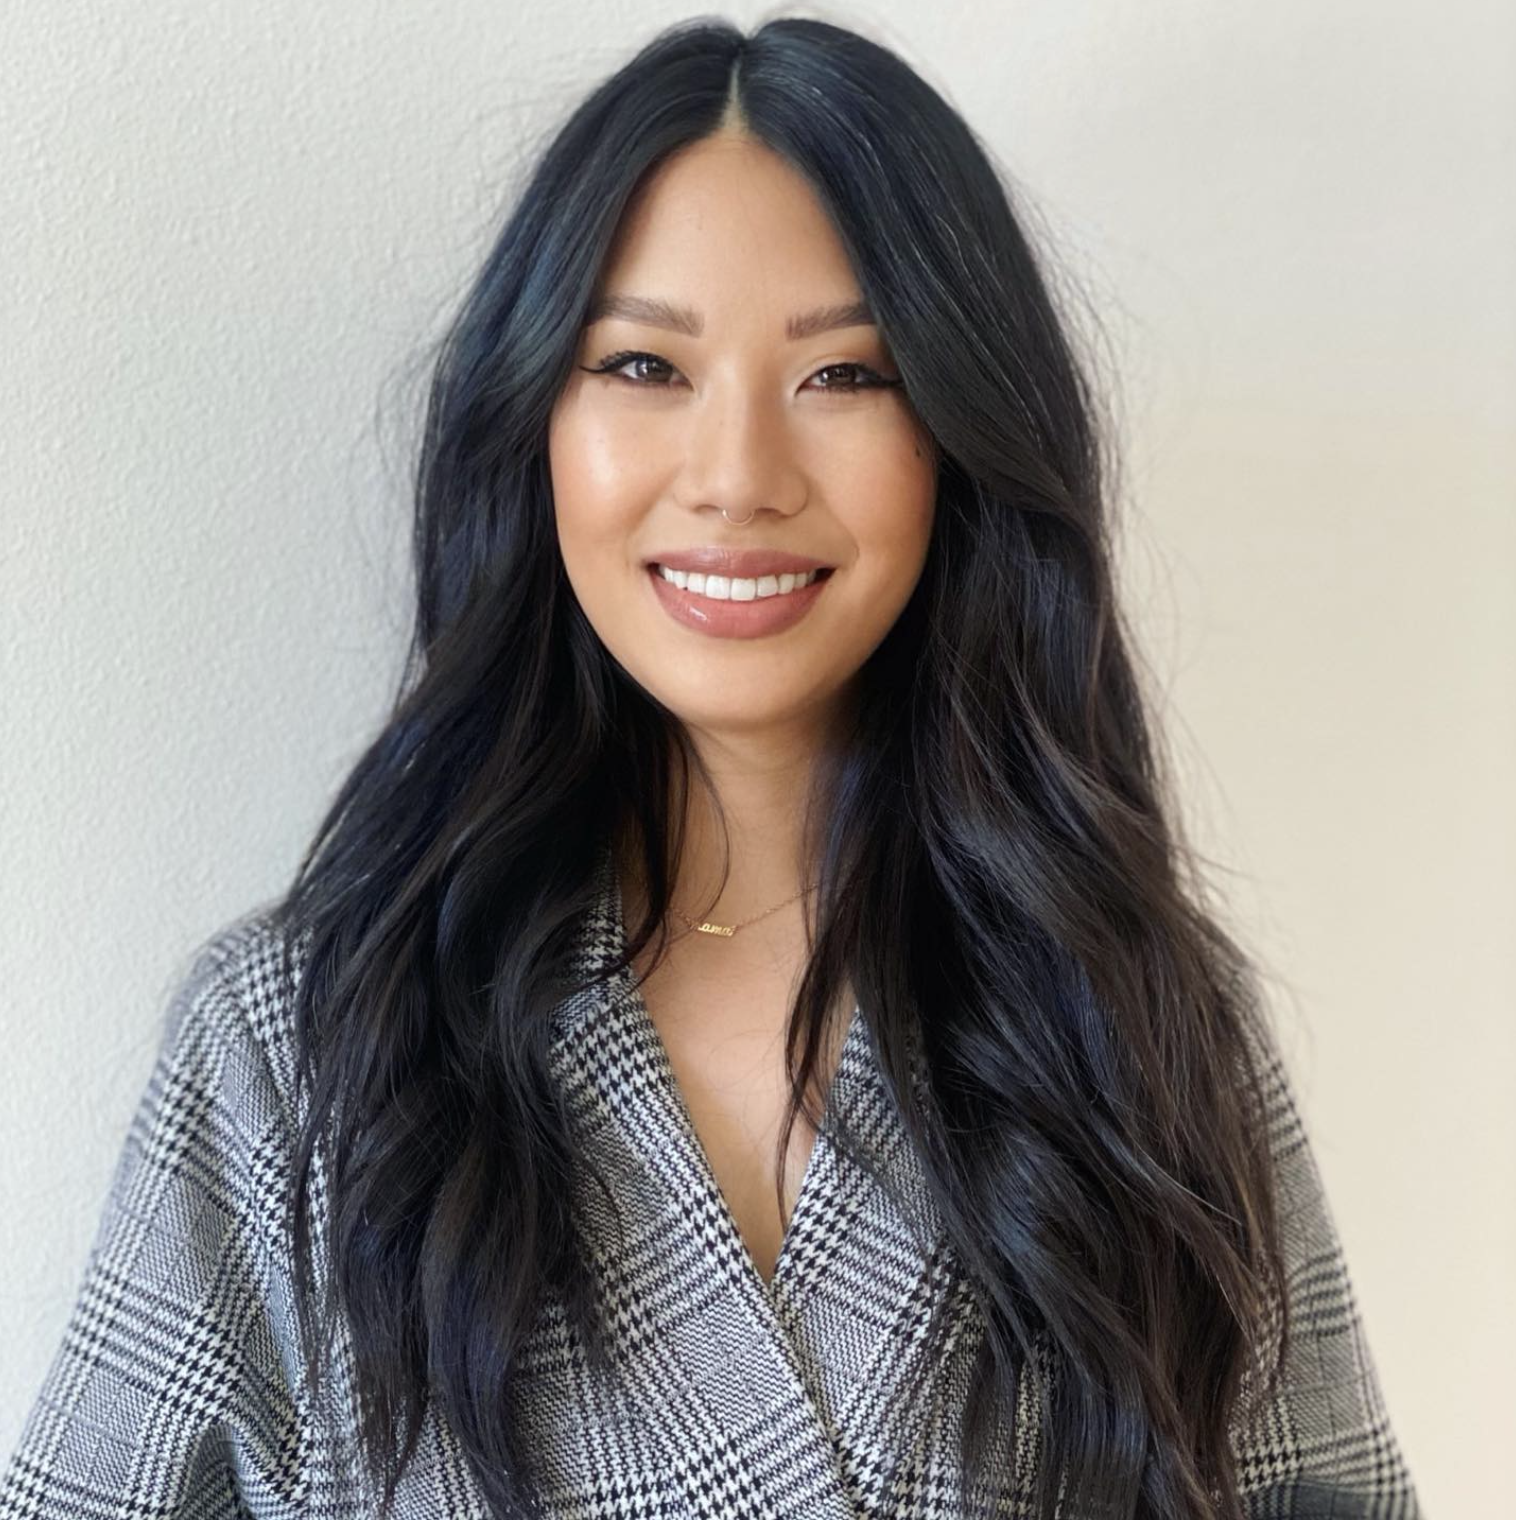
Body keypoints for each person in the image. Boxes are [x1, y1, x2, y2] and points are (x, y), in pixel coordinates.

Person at [0, 16, 1423, 1520]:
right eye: (642, 363)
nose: (739, 473)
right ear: (534, 420)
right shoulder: (298, 1050)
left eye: (848, 376)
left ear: (961, 434)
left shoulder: (1132, 1014)